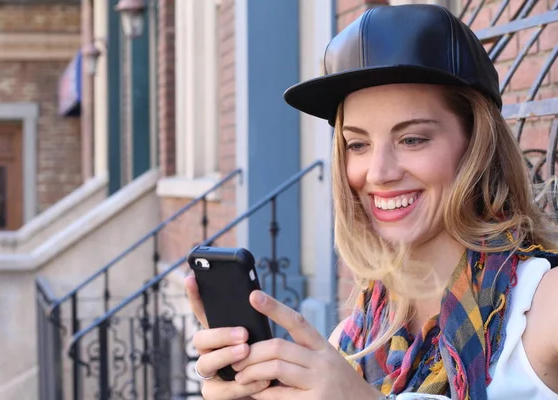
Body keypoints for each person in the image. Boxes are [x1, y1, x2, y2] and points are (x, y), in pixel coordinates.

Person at [184, 4, 558, 400]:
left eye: (412, 139)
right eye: (358, 144)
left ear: (478, 147)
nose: (379, 172)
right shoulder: (356, 337)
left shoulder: (543, 307)